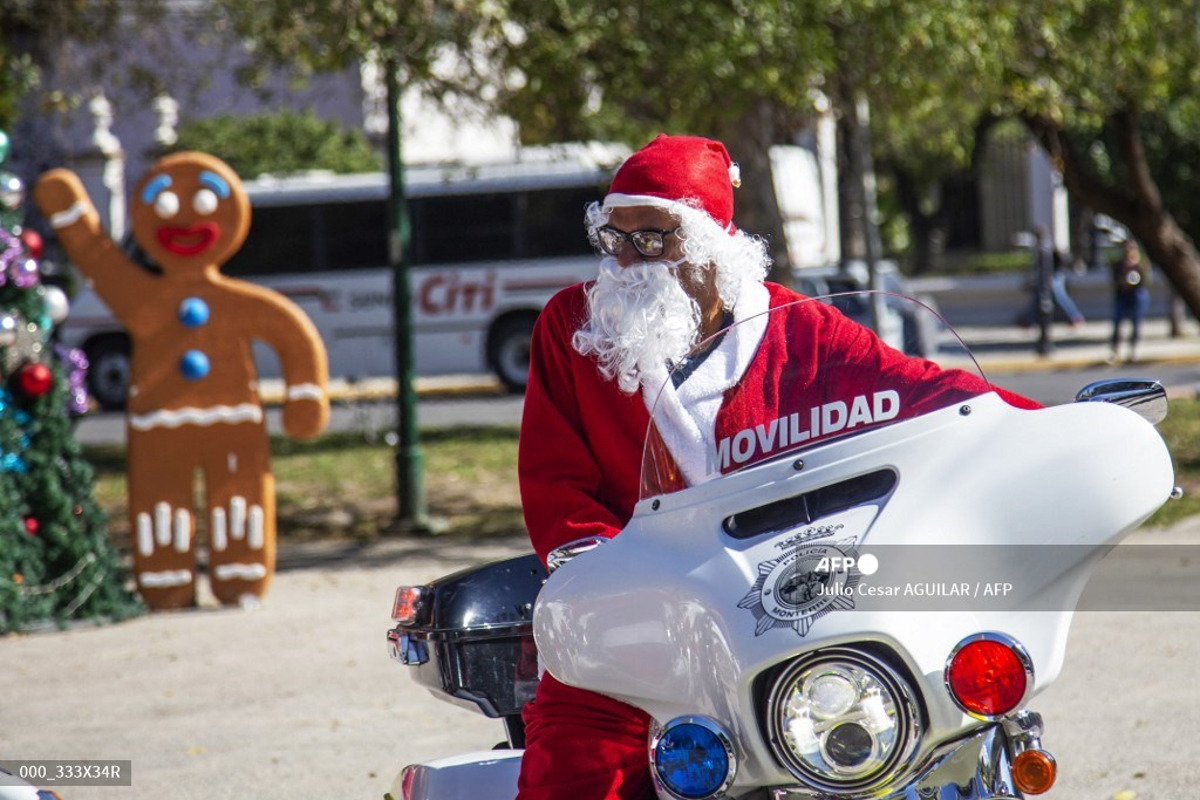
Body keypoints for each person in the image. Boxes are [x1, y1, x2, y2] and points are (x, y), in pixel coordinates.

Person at [516, 134, 1039, 800]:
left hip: (790, 612)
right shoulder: (571, 326)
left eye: (651, 238)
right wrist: (611, 582)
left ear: (709, 241)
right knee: (575, 773)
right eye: (613, 238)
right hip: (634, 622)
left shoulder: (803, 330)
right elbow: (556, 487)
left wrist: (1054, 426)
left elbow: (924, 390)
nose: (624, 260)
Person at [1022, 224, 1084, 356]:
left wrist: (1046, 281)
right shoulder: (1044, 246)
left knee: (1059, 298)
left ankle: (1075, 317)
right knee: (1039, 302)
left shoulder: (1044, 247)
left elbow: (1046, 267)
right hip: (1049, 278)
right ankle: (1028, 321)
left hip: (1052, 277)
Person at [1109, 238, 1152, 364]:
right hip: (1123, 295)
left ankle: (1133, 350)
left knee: (1136, 322)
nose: (1129, 251)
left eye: (1131, 248)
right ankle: (1115, 350)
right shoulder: (1119, 264)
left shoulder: (1141, 263)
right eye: (1126, 248)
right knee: (1118, 321)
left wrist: (1135, 284)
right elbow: (1114, 281)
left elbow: (1147, 281)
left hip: (1137, 295)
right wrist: (1122, 284)